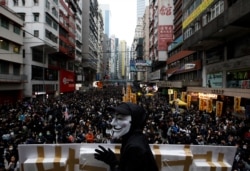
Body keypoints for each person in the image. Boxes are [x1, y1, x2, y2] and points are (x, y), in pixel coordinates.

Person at [94, 102, 159, 171]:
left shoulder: (135, 148)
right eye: (114, 117)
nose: (112, 123)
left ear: (134, 122)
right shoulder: (135, 138)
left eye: (120, 118)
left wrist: (113, 163)